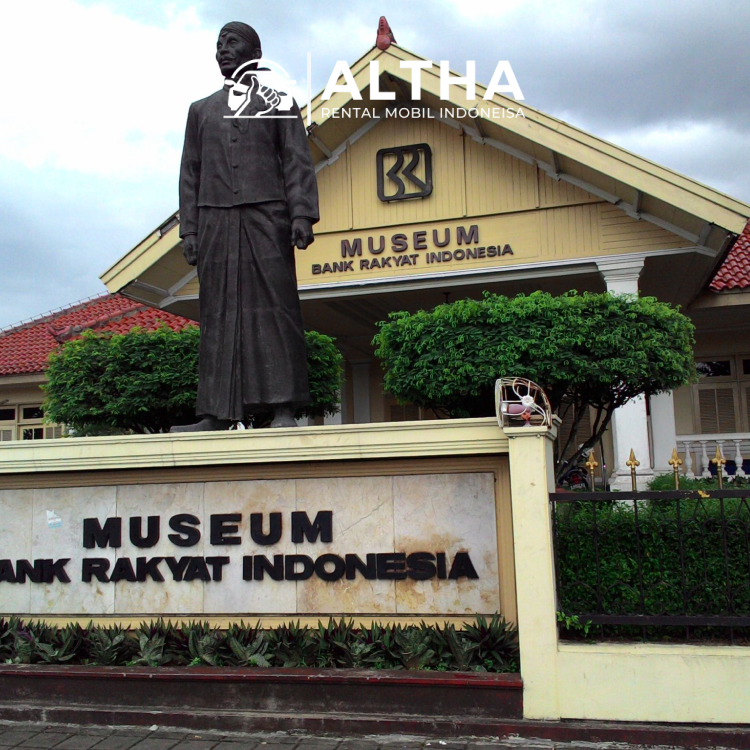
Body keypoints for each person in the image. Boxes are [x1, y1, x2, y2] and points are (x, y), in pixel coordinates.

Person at [172, 22, 319, 432]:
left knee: (276, 306)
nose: (223, 50)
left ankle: (283, 407)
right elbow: (190, 172)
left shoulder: (279, 102)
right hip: (215, 217)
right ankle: (216, 412)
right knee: (217, 310)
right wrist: (191, 230)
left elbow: (296, 160)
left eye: (232, 42)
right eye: (219, 44)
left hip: (266, 215)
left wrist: (302, 214)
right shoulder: (200, 111)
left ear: (254, 52)